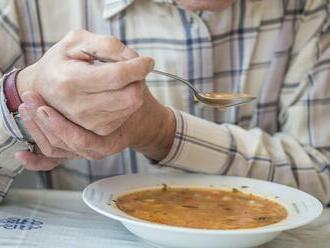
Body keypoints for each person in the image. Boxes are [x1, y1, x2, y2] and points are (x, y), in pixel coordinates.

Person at [0, 0, 330, 204]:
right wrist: (21, 93)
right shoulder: (23, 6)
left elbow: (323, 172)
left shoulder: (308, 8)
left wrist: (162, 133)